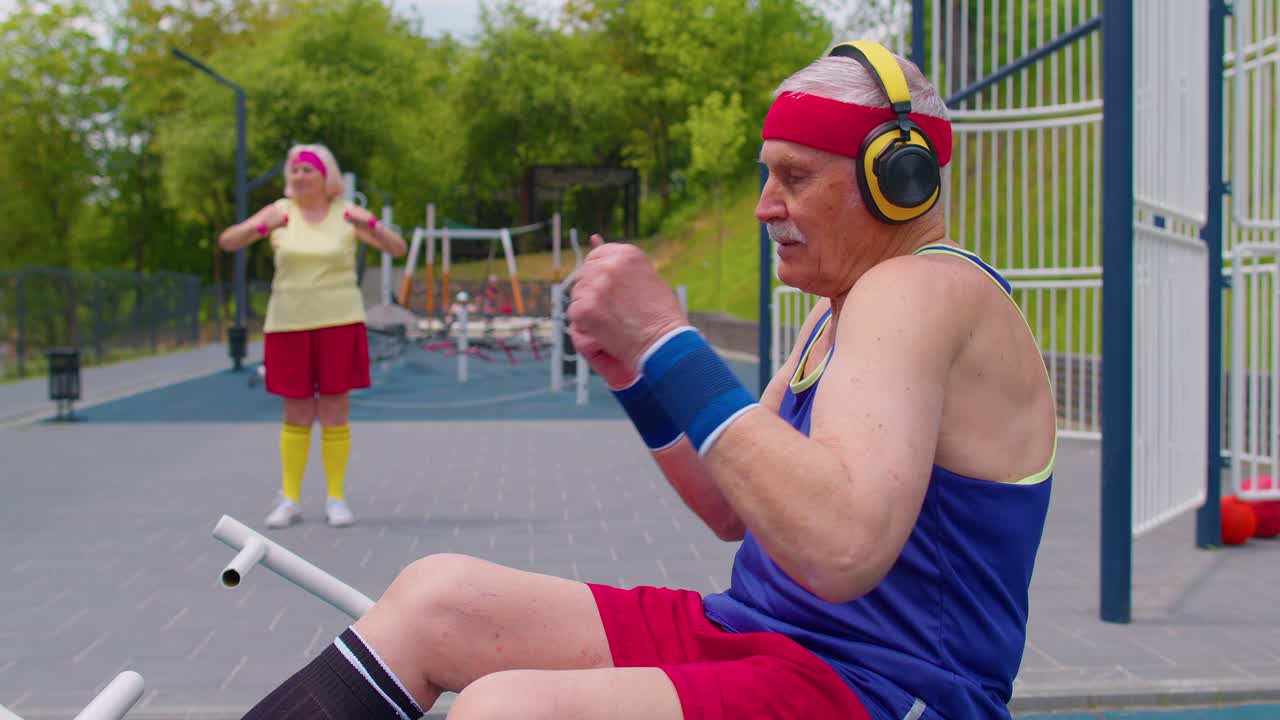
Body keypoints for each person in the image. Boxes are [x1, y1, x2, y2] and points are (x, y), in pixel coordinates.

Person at [237, 41, 1056, 720]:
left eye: (795, 177)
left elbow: (841, 549)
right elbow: (736, 508)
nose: (766, 205)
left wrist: (668, 339)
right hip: (770, 637)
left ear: (897, 177)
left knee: (511, 711)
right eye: (767, 174)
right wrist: (638, 373)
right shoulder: (840, 307)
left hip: (888, 686)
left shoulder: (918, 289)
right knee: (436, 597)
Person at [218, 143, 406, 529]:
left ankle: (336, 498)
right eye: (294, 170)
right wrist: (260, 226)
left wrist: (369, 224)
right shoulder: (280, 213)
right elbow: (228, 241)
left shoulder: (346, 214)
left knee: (335, 409)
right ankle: (289, 498)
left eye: (307, 170)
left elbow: (397, 248)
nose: (299, 176)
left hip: (339, 321)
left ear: (326, 177)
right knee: (297, 411)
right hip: (288, 322)